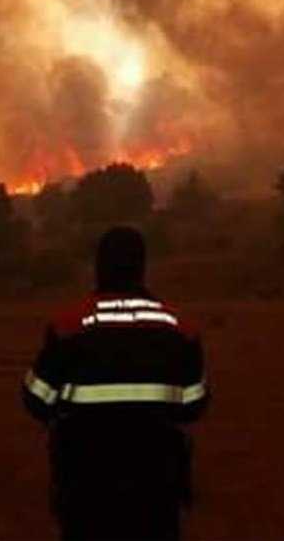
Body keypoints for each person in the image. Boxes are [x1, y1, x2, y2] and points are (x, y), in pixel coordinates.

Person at [22, 226, 209, 541]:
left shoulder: (67, 326)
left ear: (98, 267)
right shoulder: (180, 330)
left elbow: (35, 399)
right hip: (156, 485)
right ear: (142, 268)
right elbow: (194, 405)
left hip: (85, 484)